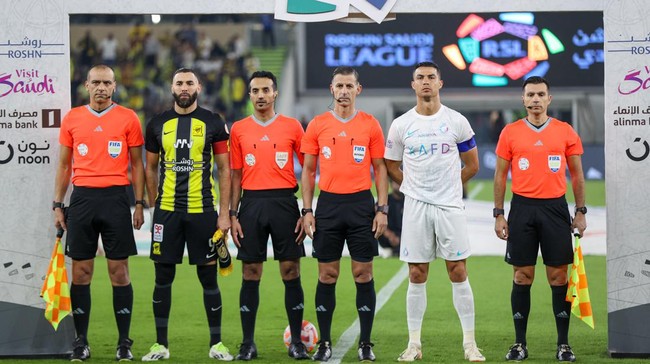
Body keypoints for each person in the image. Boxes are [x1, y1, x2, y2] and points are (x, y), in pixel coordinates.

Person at [384, 61, 485, 362]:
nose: (425, 82)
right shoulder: (401, 124)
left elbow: (473, 165)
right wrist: (412, 186)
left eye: (431, 77)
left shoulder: (456, 121)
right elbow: (391, 165)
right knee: (416, 273)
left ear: (440, 83)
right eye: (420, 78)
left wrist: (450, 186)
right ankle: (414, 344)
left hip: (449, 206)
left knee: (458, 271)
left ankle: (470, 344)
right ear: (413, 85)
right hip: (415, 206)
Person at [53, 64, 145, 362]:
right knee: (81, 272)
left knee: (119, 272)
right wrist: (58, 204)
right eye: (96, 82)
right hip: (82, 200)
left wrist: (140, 203)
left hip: (116, 197)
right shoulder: (73, 118)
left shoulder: (128, 118)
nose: (101, 88)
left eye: (107, 83)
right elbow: (65, 166)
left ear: (115, 86)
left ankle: (123, 343)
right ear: (86, 85)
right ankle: (80, 342)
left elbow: (138, 165)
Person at [141, 68, 234, 362]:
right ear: (171, 87)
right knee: (162, 277)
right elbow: (150, 168)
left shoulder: (213, 122)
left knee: (209, 278)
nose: (184, 88)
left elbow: (224, 170)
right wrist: (154, 206)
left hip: (203, 213)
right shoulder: (157, 123)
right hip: (167, 214)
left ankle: (217, 344)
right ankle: (160, 345)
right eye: (179, 83)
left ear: (199, 87)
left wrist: (224, 214)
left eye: (189, 83)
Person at [493, 76, 587, 362]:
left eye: (540, 94)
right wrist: (499, 214)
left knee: (558, 277)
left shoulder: (565, 131)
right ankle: (519, 344)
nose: (535, 99)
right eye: (530, 95)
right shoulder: (510, 132)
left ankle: (563, 345)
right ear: (523, 99)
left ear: (549, 99)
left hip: (555, 210)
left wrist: (580, 211)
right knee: (523, 275)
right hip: (521, 210)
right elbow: (500, 176)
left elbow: (577, 175)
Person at [301, 66, 388, 362]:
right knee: (327, 274)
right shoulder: (317, 125)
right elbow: (309, 171)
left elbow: (380, 170)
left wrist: (381, 208)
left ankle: (365, 343)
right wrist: (308, 210)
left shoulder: (370, 124)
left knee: (363, 273)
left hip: (362, 205)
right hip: (328, 205)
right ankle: (324, 342)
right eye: (340, 85)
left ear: (358, 90)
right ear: (331, 88)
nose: (344, 91)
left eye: (349, 86)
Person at [229, 70, 308, 360]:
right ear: (249, 94)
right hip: (251, 204)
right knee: (251, 272)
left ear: (275, 93)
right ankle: (248, 343)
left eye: (266, 90)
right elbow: (235, 174)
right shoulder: (238, 129)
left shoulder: (292, 127)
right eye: (255, 91)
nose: (260, 95)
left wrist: (305, 209)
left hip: (285, 202)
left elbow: (309, 171)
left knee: (291, 271)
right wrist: (232, 214)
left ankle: (297, 342)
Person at [378, 180, 404, 257]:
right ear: (391, 184)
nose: (398, 185)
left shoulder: (408, 201)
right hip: (388, 235)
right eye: (396, 182)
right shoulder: (386, 202)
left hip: (405, 235)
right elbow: (379, 217)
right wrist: (390, 235)